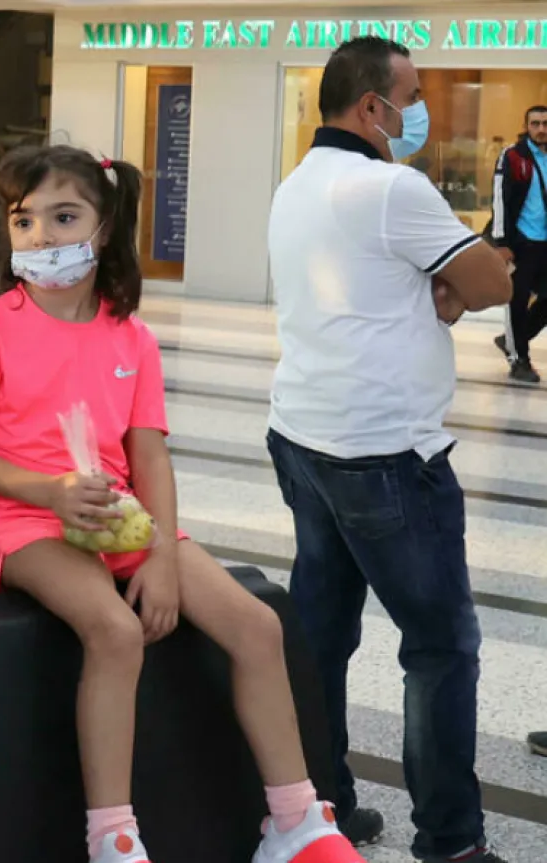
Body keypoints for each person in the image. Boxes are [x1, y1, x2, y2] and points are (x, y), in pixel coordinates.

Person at [0, 144, 362, 863]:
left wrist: (161, 551)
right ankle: (113, 835)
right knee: (115, 630)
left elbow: (149, 454)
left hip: (121, 516)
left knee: (257, 626)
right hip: (28, 520)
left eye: (63, 216)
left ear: (104, 229)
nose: (42, 236)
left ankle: (295, 819)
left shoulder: (129, 335)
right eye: (23, 220)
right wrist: (51, 493)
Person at [266, 37, 513, 863]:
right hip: (384, 454)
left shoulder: (297, 184)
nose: (419, 111)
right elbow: (491, 285)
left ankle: (324, 803)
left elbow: (393, 290)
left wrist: (432, 288)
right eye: (410, 95)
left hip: (303, 434)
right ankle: (450, 840)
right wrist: (448, 283)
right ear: (371, 107)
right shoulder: (390, 186)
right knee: (440, 647)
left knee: (323, 634)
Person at [489, 105, 547, 384]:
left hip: (545, 241)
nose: (541, 129)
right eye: (535, 124)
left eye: (545, 124)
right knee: (518, 301)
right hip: (521, 242)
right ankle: (518, 359)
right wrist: (501, 241)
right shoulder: (513, 156)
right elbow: (499, 198)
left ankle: (513, 340)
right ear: (527, 126)